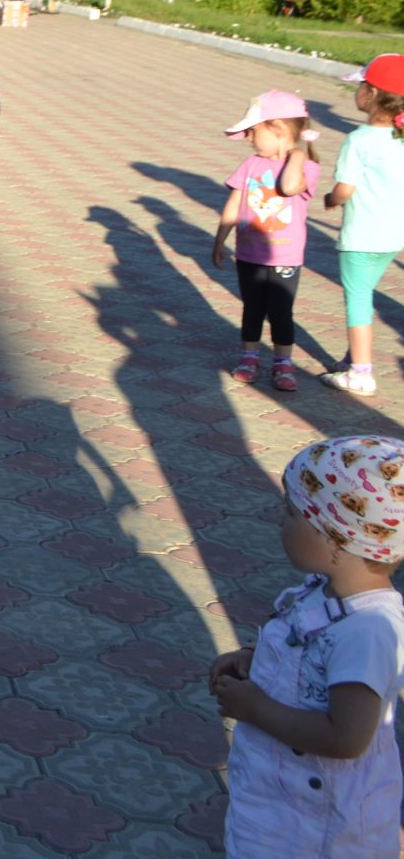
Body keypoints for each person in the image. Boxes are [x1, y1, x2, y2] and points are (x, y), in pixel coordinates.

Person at [211, 435, 404, 858]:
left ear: (337, 539)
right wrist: (253, 661)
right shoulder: (322, 592)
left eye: (292, 512)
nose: (280, 520)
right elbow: (307, 657)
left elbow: (347, 737)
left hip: (319, 827)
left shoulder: (369, 629)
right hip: (280, 800)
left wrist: (255, 707)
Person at [211, 91, 320, 393]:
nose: (248, 138)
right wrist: (220, 239)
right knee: (252, 308)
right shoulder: (250, 165)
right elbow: (234, 203)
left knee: (281, 311)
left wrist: (296, 153)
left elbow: (287, 187)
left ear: (279, 129)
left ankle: (283, 362)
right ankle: (249, 357)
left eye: (253, 130)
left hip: (285, 256)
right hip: (248, 253)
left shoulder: (307, 167)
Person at [320, 55, 404, 396]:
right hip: (392, 236)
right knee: (365, 293)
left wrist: (329, 199)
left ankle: (361, 373)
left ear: (370, 94)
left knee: (357, 299)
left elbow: (345, 190)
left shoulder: (358, 140)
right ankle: (355, 354)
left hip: (361, 236)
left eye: (360, 86)